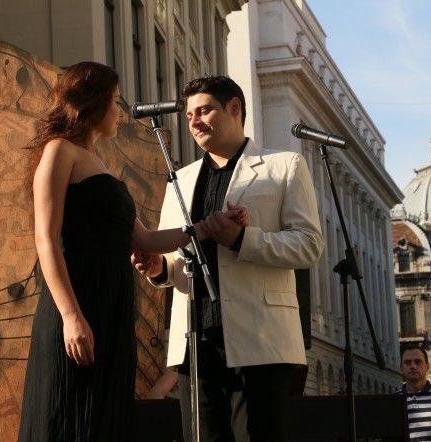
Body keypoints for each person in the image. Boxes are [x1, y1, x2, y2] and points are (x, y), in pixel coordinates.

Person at [18, 62, 245, 441]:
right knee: (68, 413)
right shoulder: (59, 151)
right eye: (115, 102)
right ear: (93, 103)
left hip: (112, 305)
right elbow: (46, 239)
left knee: (104, 418)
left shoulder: (99, 162)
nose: (120, 112)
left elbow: (144, 240)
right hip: (78, 299)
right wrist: (71, 317)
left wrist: (209, 226)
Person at [133, 75, 323, 441]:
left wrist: (242, 239)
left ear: (234, 108)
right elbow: (175, 259)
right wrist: (160, 269)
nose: (195, 122)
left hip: (262, 340)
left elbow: (309, 245)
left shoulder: (285, 166)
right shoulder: (179, 180)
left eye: (204, 110)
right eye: (190, 115)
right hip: (196, 343)